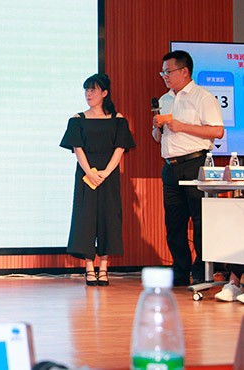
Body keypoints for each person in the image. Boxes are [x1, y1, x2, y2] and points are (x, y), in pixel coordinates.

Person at [152, 50, 224, 286]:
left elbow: (217, 131)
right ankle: (180, 271)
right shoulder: (164, 100)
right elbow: (158, 138)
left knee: (200, 220)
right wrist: (156, 128)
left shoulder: (203, 97)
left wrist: (182, 126)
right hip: (170, 166)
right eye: (163, 72)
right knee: (174, 222)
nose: (164, 76)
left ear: (184, 71)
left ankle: (201, 270)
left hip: (195, 164)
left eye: (168, 71)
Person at [60, 73, 135, 286]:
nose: (88, 94)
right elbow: (77, 148)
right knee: (86, 219)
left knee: (108, 218)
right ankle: (89, 268)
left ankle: (103, 268)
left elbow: (120, 148)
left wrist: (106, 172)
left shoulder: (118, 120)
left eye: (93, 90)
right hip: (86, 175)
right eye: (86, 90)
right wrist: (90, 173)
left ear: (104, 93)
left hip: (108, 176)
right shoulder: (77, 119)